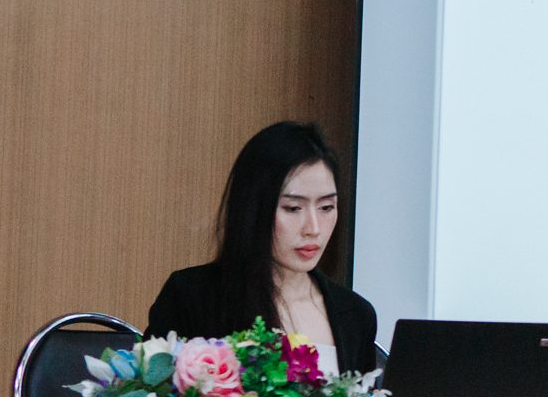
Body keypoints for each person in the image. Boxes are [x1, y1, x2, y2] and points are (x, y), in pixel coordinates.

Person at [148, 121, 380, 376]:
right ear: (253, 208)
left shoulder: (356, 315)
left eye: (326, 207)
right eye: (293, 208)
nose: (313, 228)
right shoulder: (192, 296)